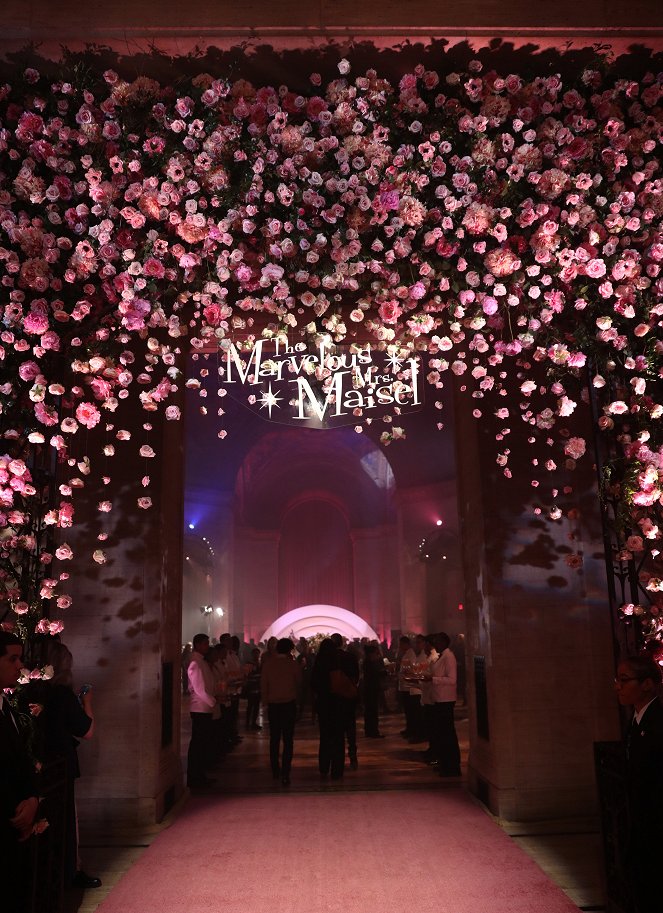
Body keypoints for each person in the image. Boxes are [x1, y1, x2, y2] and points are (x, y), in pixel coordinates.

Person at [28, 639, 99, 890]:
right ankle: (69, 871)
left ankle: (48, 872)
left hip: (38, 762)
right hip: (60, 763)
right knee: (67, 820)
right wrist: (87, 701)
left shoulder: (30, 692)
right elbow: (86, 730)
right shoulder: (61, 694)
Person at [614, 653, 663, 913]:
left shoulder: (657, 723)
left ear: (646, 684)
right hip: (640, 824)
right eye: (617, 680)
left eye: (624, 680)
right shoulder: (635, 721)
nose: (618, 686)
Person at [0, 631, 39, 913]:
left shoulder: (8, 709)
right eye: (12, 659)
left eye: (20, 659)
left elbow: (23, 762)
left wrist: (33, 799)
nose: (19, 666)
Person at [260, 638, 301, 786]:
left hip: (273, 705)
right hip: (288, 704)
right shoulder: (292, 664)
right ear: (290, 649)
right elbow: (299, 682)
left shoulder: (268, 664)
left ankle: (275, 770)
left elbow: (264, 685)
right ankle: (285, 772)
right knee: (288, 739)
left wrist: (265, 703)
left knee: (274, 738)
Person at [186, 633, 218, 789]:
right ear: (197, 645)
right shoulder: (195, 663)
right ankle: (195, 776)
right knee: (198, 744)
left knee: (202, 743)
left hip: (204, 707)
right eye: (205, 643)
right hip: (200, 707)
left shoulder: (201, 661)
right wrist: (212, 701)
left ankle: (199, 775)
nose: (207, 646)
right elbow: (199, 689)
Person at [311, 638, 345, 780]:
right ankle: (337, 769)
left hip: (323, 703)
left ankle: (324, 767)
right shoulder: (337, 662)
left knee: (325, 736)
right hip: (337, 703)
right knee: (338, 737)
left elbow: (313, 684)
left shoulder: (318, 663)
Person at [428, 632, 461, 777]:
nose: (435, 644)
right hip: (439, 699)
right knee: (442, 734)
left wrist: (433, 679)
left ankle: (452, 766)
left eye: (437, 642)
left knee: (448, 734)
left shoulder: (449, 657)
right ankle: (445, 764)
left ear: (444, 642)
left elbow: (452, 679)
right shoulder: (442, 656)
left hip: (446, 700)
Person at [330, 633, 359, 770]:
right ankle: (353, 755)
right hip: (348, 696)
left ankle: (337, 757)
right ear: (342, 643)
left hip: (333, 698)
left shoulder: (328, 658)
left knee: (336, 728)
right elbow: (356, 676)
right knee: (350, 727)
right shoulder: (350, 657)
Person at [362, 643, 386, 738]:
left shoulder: (367, 662)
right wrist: (384, 672)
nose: (378, 655)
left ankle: (369, 731)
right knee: (372, 711)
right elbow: (375, 675)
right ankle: (373, 732)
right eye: (376, 653)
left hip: (369, 689)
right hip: (371, 690)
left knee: (369, 711)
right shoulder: (369, 663)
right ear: (371, 654)